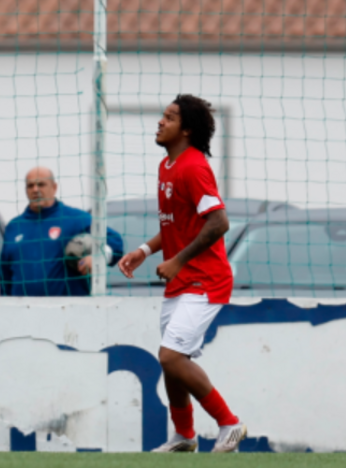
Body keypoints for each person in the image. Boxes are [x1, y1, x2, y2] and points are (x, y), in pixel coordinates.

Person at [118, 95, 247, 453]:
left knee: (171, 356)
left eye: (170, 117)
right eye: (162, 115)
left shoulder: (193, 167)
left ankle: (230, 424)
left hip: (206, 279)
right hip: (181, 281)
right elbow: (176, 224)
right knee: (174, 362)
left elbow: (218, 222)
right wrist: (144, 251)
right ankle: (184, 436)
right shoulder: (167, 166)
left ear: (187, 129)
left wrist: (177, 260)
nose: (160, 122)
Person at [0, 167, 123, 296]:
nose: (35, 189)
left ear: (54, 187)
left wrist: (98, 257)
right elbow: (4, 276)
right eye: (30, 186)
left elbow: (116, 242)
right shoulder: (14, 227)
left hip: (67, 307)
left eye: (41, 184)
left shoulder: (75, 219)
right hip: (23, 307)